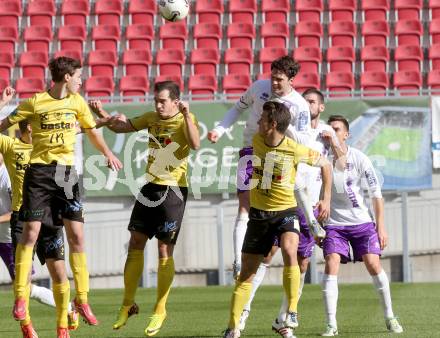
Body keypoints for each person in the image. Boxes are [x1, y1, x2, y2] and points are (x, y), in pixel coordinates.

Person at [0, 57, 122, 338]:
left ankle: (82, 299)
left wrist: (108, 153)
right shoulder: (34, 103)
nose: (81, 79)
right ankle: (21, 299)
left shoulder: (77, 102)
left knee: (77, 236)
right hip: (40, 173)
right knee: (30, 233)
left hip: (67, 175)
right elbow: (4, 123)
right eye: (79, 75)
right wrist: (4, 105)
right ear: (66, 77)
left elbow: (90, 130)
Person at [208, 56, 326, 285]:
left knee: (293, 185)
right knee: (244, 203)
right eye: (272, 77)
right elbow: (237, 109)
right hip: (250, 151)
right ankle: (238, 261)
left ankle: (312, 222)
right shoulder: (259, 88)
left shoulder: (300, 106)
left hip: (279, 153)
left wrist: (283, 123)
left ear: (291, 79)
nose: (274, 83)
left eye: (279, 79)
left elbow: (304, 140)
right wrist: (219, 130)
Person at [222, 101, 332, 338]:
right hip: (260, 216)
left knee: (291, 250)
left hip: (286, 211)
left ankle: (291, 311)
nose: (258, 122)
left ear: (272, 124)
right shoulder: (256, 142)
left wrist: (326, 198)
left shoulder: (295, 149)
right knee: (246, 275)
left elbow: (326, 165)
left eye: (262, 119)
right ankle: (233, 327)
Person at [100, 81, 200, 336]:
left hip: (173, 190)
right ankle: (128, 304)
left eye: (163, 101)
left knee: (164, 249)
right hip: (150, 188)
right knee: (135, 242)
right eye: (156, 100)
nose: (158, 105)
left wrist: (188, 116)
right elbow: (122, 128)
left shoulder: (184, 119)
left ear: (176, 102)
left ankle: (160, 309)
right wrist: (103, 115)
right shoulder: (151, 117)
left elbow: (195, 143)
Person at [319, 115, 403, 336]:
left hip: (362, 222)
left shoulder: (360, 159)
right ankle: (331, 324)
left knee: (373, 264)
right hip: (334, 225)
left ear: (346, 134)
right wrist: (316, 223)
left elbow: (376, 194)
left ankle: (390, 316)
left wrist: (381, 227)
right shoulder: (320, 158)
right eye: (329, 129)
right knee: (331, 262)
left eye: (336, 129)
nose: (331, 132)